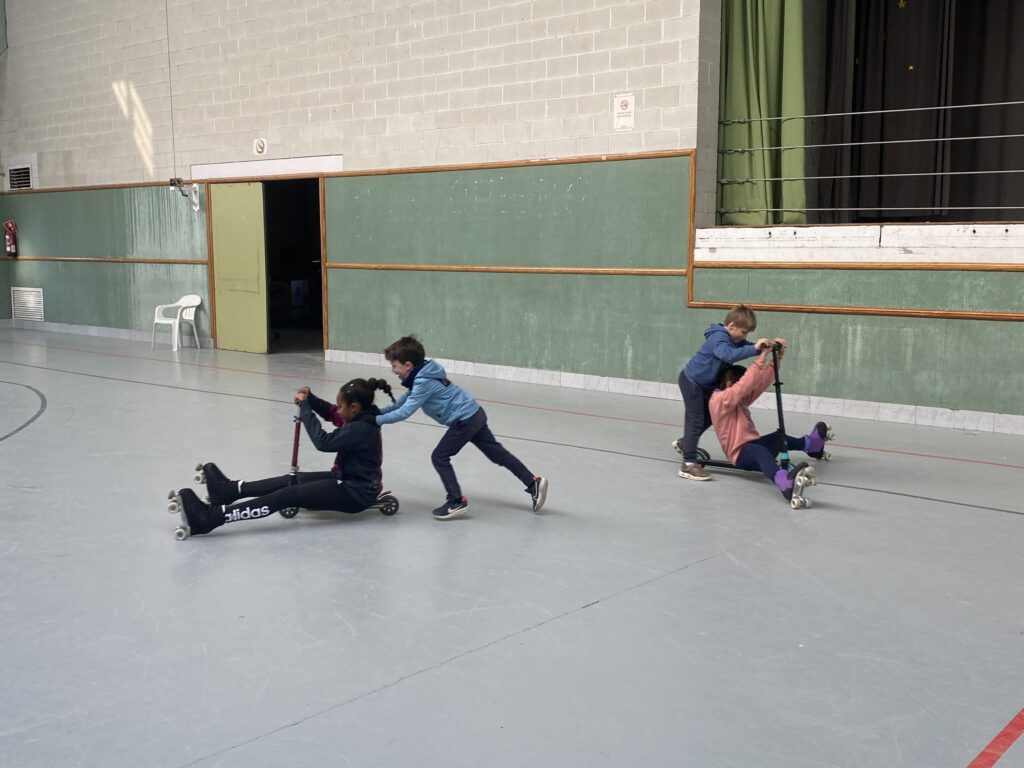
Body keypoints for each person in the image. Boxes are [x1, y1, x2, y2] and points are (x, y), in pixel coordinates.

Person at [170, 378, 394, 536]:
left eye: (341, 405)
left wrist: (305, 409)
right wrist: (311, 398)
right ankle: (228, 490)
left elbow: (323, 442)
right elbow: (332, 413)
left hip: (355, 493)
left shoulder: (361, 429)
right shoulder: (359, 416)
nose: (338, 410)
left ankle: (209, 518)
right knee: (291, 480)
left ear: (354, 407)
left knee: (289, 494)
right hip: (345, 478)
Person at [377, 335, 547, 520]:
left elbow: (405, 411)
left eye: (394, 365)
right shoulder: (423, 375)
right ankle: (533, 483)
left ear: (408, 365)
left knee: (439, 457)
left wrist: (377, 420)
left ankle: (456, 501)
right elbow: (402, 402)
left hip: (464, 421)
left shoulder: (423, 382)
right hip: (474, 413)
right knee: (497, 454)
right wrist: (376, 412)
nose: (393, 370)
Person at [708, 343, 832, 505]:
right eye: (742, 388)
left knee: (779, 437)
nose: (747, 393)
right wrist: (762, 356)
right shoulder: (719, 401)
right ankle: (784, 483)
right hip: (739, 453)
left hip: (753, 444)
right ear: (730, 384)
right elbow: (743, 386)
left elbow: (760, 383)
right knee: (760, 452)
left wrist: (776, 358)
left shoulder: (737, 398)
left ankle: (812, 446)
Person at [674, 304, 780, 481]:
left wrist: (763, 347)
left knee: (710, 417)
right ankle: (689, 464)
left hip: (706, 384)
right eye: (743, 332)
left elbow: (743, 346)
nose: (745, 336)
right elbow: (728, 355)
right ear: (731, 326)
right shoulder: (718, 337)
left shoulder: (732, 339)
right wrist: (755, 349)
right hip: (693, 382)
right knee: (696, 419)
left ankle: (687, 443)